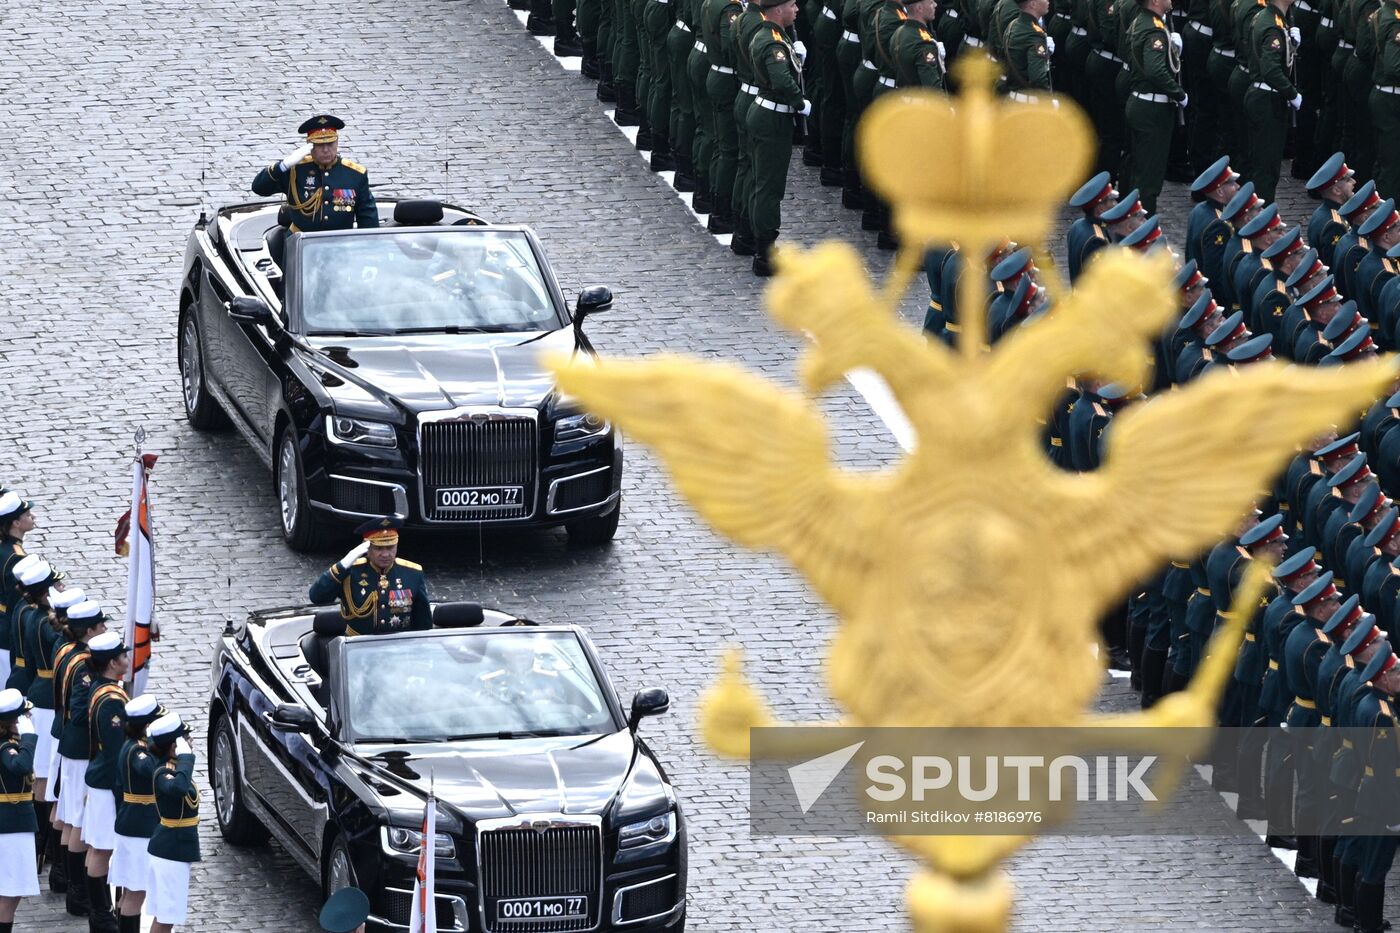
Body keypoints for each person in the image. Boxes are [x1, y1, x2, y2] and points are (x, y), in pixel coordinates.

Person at [51, 598, 109, 917]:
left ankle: (68, 881)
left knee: (69, 813)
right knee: (77, 818)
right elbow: (78, 710)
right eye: (101, 625)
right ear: (89, 630)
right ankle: (77, 892)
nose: (105, 628)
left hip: (69, 745)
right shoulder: (85, 665)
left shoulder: (68, 650)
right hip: (80, 747)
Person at [745, 0, 808, 276]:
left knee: (763, 184)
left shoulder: (772, 35)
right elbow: (781, 80)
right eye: (792, 5)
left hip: (767, 113)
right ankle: (765, 253)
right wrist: (800, 102)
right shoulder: (772, 42)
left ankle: (761, 242)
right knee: (769, 189)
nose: (797, 10)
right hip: (772, 118)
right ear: (778, 10)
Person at [251, 115, 378, 234]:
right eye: (320, 145)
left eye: (330, 144)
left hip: (341, 242)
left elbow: (368, 219)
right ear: (310, 146)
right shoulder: (295, 170)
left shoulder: (355, 174)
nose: (326, 150)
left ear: (337, 143)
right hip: (301, 242)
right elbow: (259, 188)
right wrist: (283, 165)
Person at [81, 632, 129, 933]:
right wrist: (121, 790)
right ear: (112, 663)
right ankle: (100, 914)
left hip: (99, 778)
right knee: (101, 848)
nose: (127, 659)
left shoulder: (103, 687)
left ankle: (100, 911)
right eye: (123, 655)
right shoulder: (111, 701)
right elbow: (114, 752)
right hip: (106, 782)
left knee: (98, 847)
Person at [309, 517, 431, 636]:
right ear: (367, 549)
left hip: (399, 644)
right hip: (358, 644)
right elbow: (317, 596)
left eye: (390, 547)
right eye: (378, 548)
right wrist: (342, 565)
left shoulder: (412, 573)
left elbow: (423, 623)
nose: (385, 554)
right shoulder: (351, 572)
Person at [1123, 0, 1185, 215]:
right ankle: (1143, 224)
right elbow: (1155, 70)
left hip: (1140, 103)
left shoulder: (1143, 21)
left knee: (1136, 169)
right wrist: (1179, 93)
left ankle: (1129, 218)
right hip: (1152, 109)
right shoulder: (1154, 30)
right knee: (1149, 176)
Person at [111, 695, 164, 933]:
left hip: (132, 823)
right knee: (136, 892)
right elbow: (150, 769)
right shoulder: (138, 751)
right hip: (138, 827)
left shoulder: (132, 745)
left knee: (131, 892)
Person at [1241, 0, 1299, 202]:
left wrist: (1292, 45)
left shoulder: (1269, 17)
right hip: (1268, 100)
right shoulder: (1273, 25)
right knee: (1266, 168)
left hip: (1262, 95)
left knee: (1261, 164)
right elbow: (1271, 69)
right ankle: (1262, 215)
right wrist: (1292, 93)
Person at [145, 713, 198, 933]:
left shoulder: (174, 768)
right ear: (174, 747)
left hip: (175, 849)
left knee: (166, 917)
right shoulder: (163, 772)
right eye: (186, 738)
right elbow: (179, 789)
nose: (191, 742)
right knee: (165, 917)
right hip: (170, 851)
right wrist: (186, 759)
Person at [0, 688, 39, 933]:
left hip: (16, 823)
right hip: (12, 824)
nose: (29, 717)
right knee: (9, 892)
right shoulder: (7, 747)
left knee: (12, 893)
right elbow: (21, 766)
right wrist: (29, 738)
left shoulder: (10, 744)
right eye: (24, 715)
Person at [0, 494, 34, 676]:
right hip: (5, 632)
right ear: (16, 523)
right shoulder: (16, 557)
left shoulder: (4, 549)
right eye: (27, 514)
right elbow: (15, 603)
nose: (33, 517)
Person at [1369, 0, 1400, 200]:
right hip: (1391, 98)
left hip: (1384, 95)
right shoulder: (1395, 21)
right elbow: (1393, 67)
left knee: (1385, 160)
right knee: (1392, 164)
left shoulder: (1384, 13)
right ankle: (1388, 211)